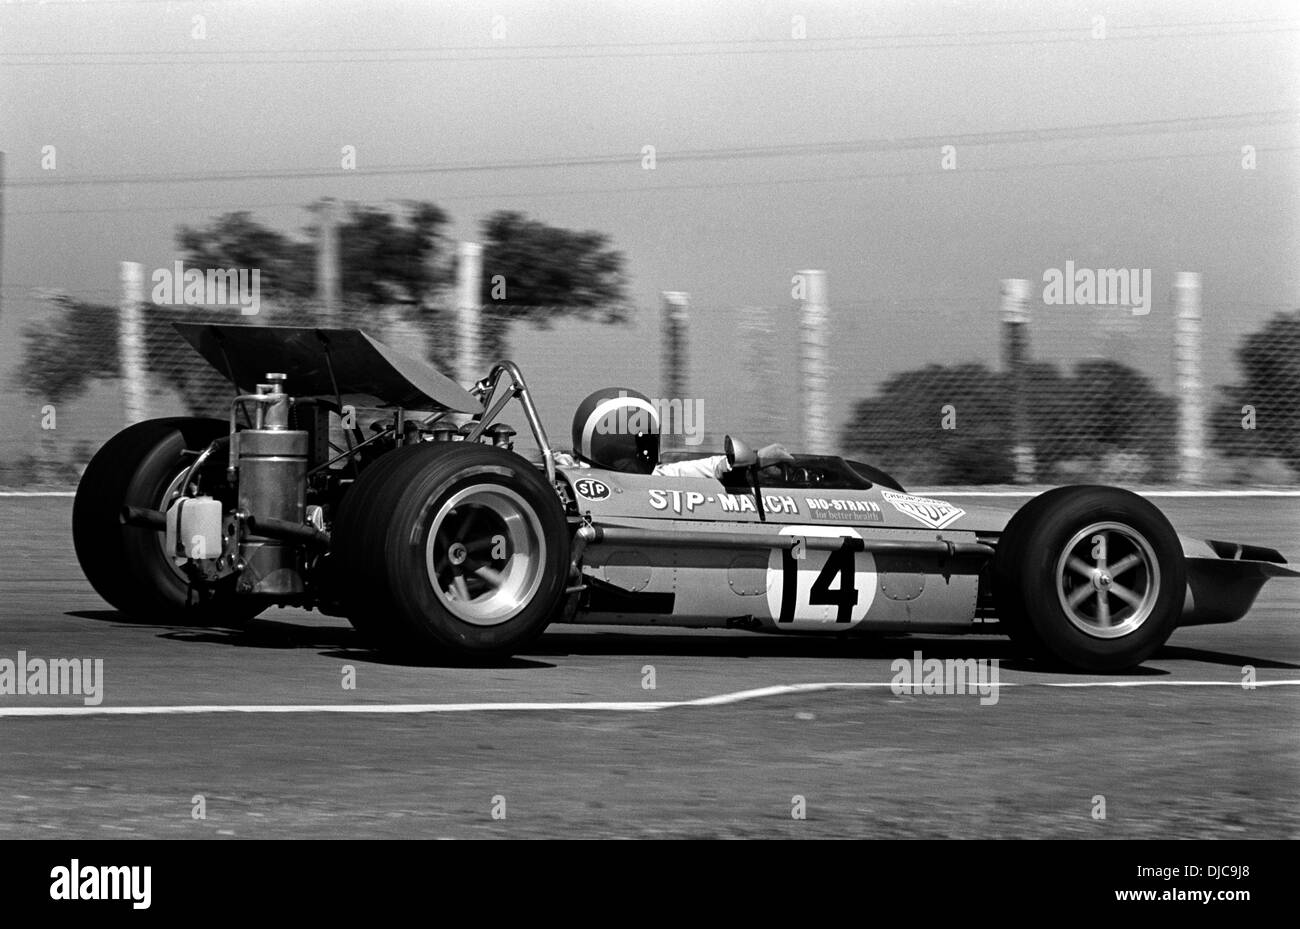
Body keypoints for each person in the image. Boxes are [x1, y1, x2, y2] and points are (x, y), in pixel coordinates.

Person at [560, 386, 792, 479]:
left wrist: (754, 459)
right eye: (647, 442)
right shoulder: (565, 476)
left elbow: (681, 472)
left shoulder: (566, 474)